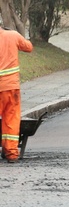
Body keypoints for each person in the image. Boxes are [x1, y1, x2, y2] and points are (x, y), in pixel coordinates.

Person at [0, 26, 34, 163]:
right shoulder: (12, 35)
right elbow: (29, 47)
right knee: (11, 120)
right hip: (11, 88)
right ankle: (12, 153)